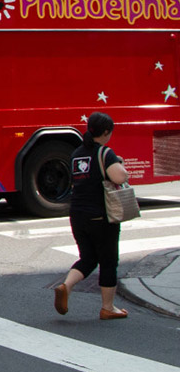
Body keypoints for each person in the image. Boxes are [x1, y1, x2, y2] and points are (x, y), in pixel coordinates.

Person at [54, 112, 130, 320]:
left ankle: (66, 286)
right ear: (105, 132)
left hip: (77, 215)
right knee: (108, 261)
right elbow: (119, 176)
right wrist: (121, 165)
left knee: (88, 258)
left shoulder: (77, 153)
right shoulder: (105, 153)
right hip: (100, 215)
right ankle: (108, 307)